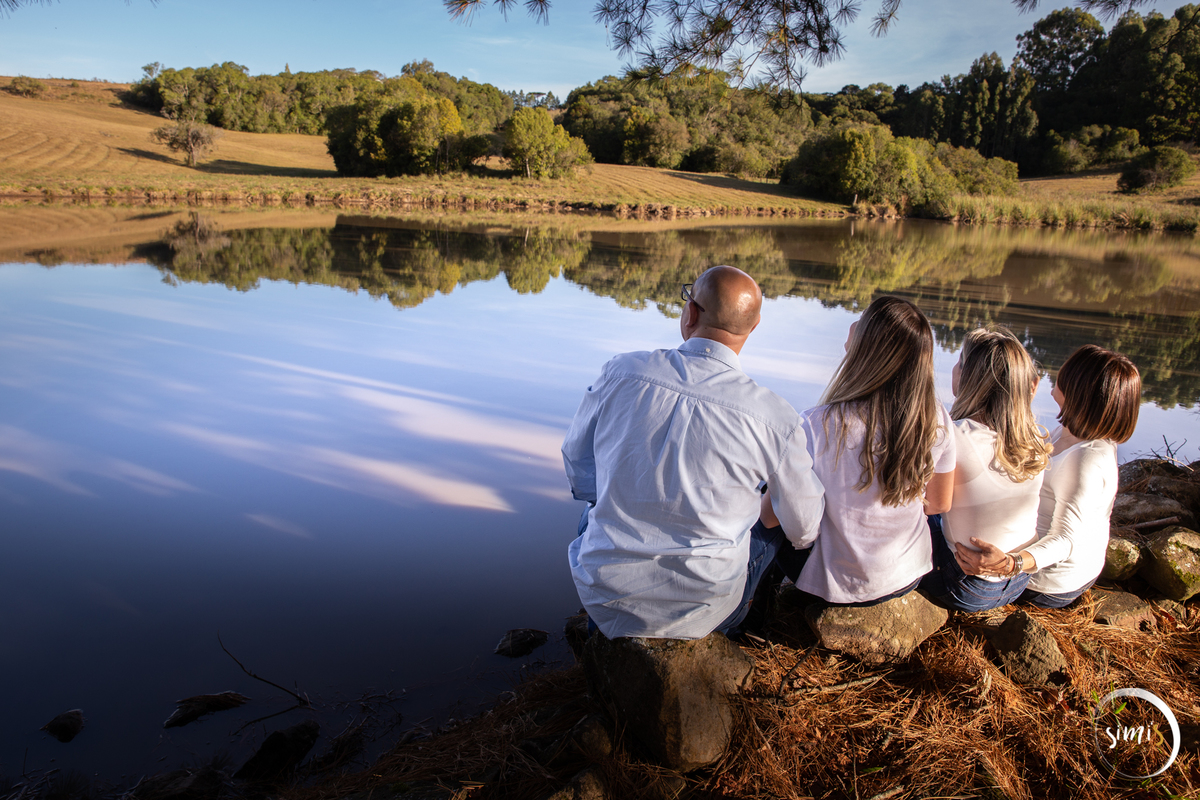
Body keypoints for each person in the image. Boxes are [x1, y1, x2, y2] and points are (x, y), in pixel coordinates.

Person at [563, 266, 825, 640]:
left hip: (604, 594)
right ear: (753, 327)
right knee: (775, 524)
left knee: (592, 513)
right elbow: (804, 528)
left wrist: (613, 499)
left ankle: (608, 642)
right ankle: (738, 637)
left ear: (691, 313)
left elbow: (578, 466)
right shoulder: (773, 417)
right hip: (703, 606)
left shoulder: (621, 372)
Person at [763, 295, 955, 604]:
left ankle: (752, 608)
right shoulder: (936, 417)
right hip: (906, 574)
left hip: (837, 584)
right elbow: (938, 503)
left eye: (860, 321)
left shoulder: (816, 425)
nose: (851, 324)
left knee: (771, 501)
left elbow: (772, 518)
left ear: (866, 348)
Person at [955, 345, 1141, 607]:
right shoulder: (1069, 432)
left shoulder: (1086, 460)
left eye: (1066, 375)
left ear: (1081, 391)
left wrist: (1010, 564)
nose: (1057, 376)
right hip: (1047, 562)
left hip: (1049, 582)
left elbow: (1066, 540)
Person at [920, 327, 1052, 612]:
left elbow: (926, 505)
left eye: (959, 362)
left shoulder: (957, 436)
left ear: (969, 378)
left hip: (966, 586)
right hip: (1017, 580)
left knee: (914, 511)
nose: (953, 369)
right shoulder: (1033, 437)